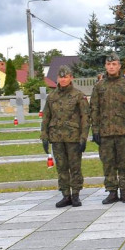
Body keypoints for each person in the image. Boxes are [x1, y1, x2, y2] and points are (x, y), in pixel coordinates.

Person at [90, 53, 125, 204]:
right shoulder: (99, 86)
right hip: (105, 133)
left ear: (119, 66)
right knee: (108, 163)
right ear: (105, 66)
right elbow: (94, 110)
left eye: (114, 64)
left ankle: (124, 191)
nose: (111, 67)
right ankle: (112, 192)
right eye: (109, 64)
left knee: (124, 163)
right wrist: (96, 131)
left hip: (123, 132)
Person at [40, 65, 89, 208]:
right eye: (61, 77)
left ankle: (75, 195)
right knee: (61, 167)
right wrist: (44, 136)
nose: (63, 79)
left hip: (73, 138)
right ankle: (65, 194)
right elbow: (46, 117)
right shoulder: (52, 97)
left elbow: (85, 117)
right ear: (57, 78)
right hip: (57, 137)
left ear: (71, 78)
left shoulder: (78, 95)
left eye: (66, 76)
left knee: (75, 167)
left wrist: (84, 137)